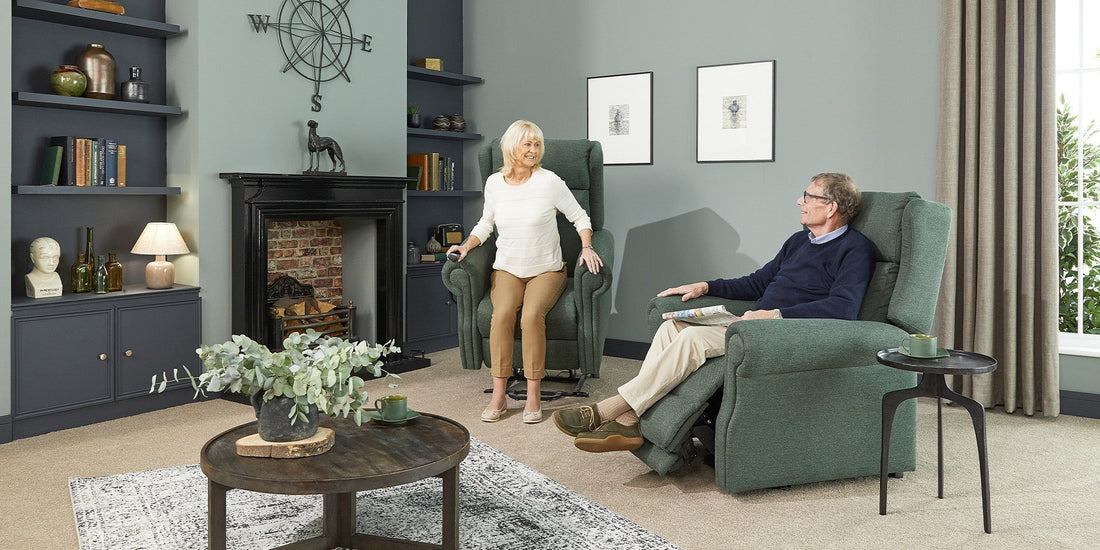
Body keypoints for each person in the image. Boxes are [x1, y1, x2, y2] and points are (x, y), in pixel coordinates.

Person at [552, 173, 875, 452]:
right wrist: (706, 285)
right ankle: (630, 423)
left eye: (808, 196)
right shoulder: (798, 242)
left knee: (692, 339)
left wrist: (773, 315)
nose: (799, 201)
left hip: (782, 332)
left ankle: (608, 411)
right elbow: (757, 282)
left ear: (830, 207)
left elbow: (843, 307)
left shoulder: (854, 249)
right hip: (751, 326)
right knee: (671, 328)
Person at [448, 120, 603, 424]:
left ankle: (533, 394)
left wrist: (586, 247)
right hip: (507, 269)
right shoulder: (494, 183)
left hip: (547, 270)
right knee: (502, 314)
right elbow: (486, 224)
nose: (533, 150)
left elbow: (581, 217)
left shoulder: (550, 182)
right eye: (527, 144)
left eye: (536, 145)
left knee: (532, 317)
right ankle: (499, 395)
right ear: (511, 148)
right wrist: (466, 246)